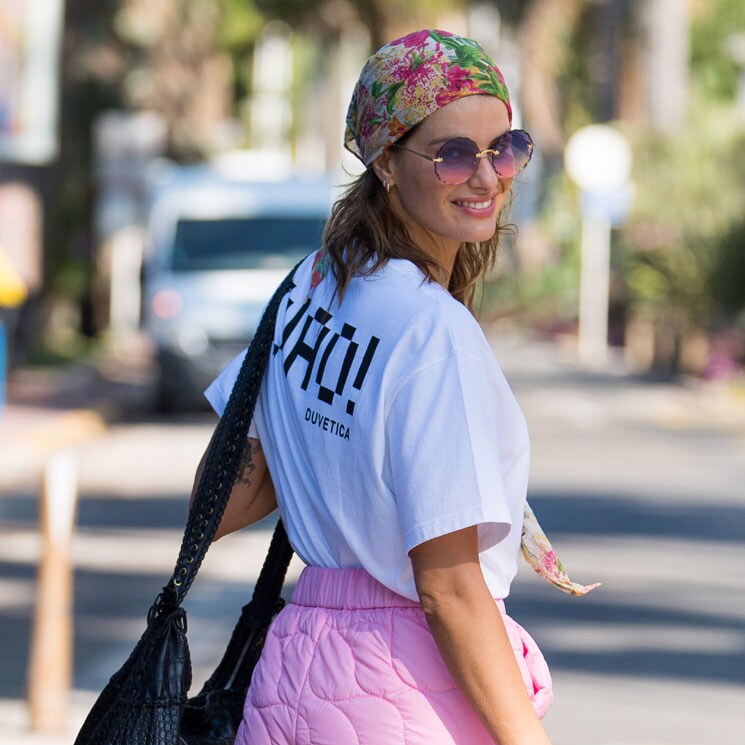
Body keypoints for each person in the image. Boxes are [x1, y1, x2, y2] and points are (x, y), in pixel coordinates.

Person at [199, 28, 594, 745]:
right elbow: (447, 589)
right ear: (384, 161)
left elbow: (225, 498)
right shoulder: (428, 330)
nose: (486, 177)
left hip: (295, 672)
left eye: (503, 147)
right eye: (450, 154)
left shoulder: (314, 283)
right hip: (401, 685)